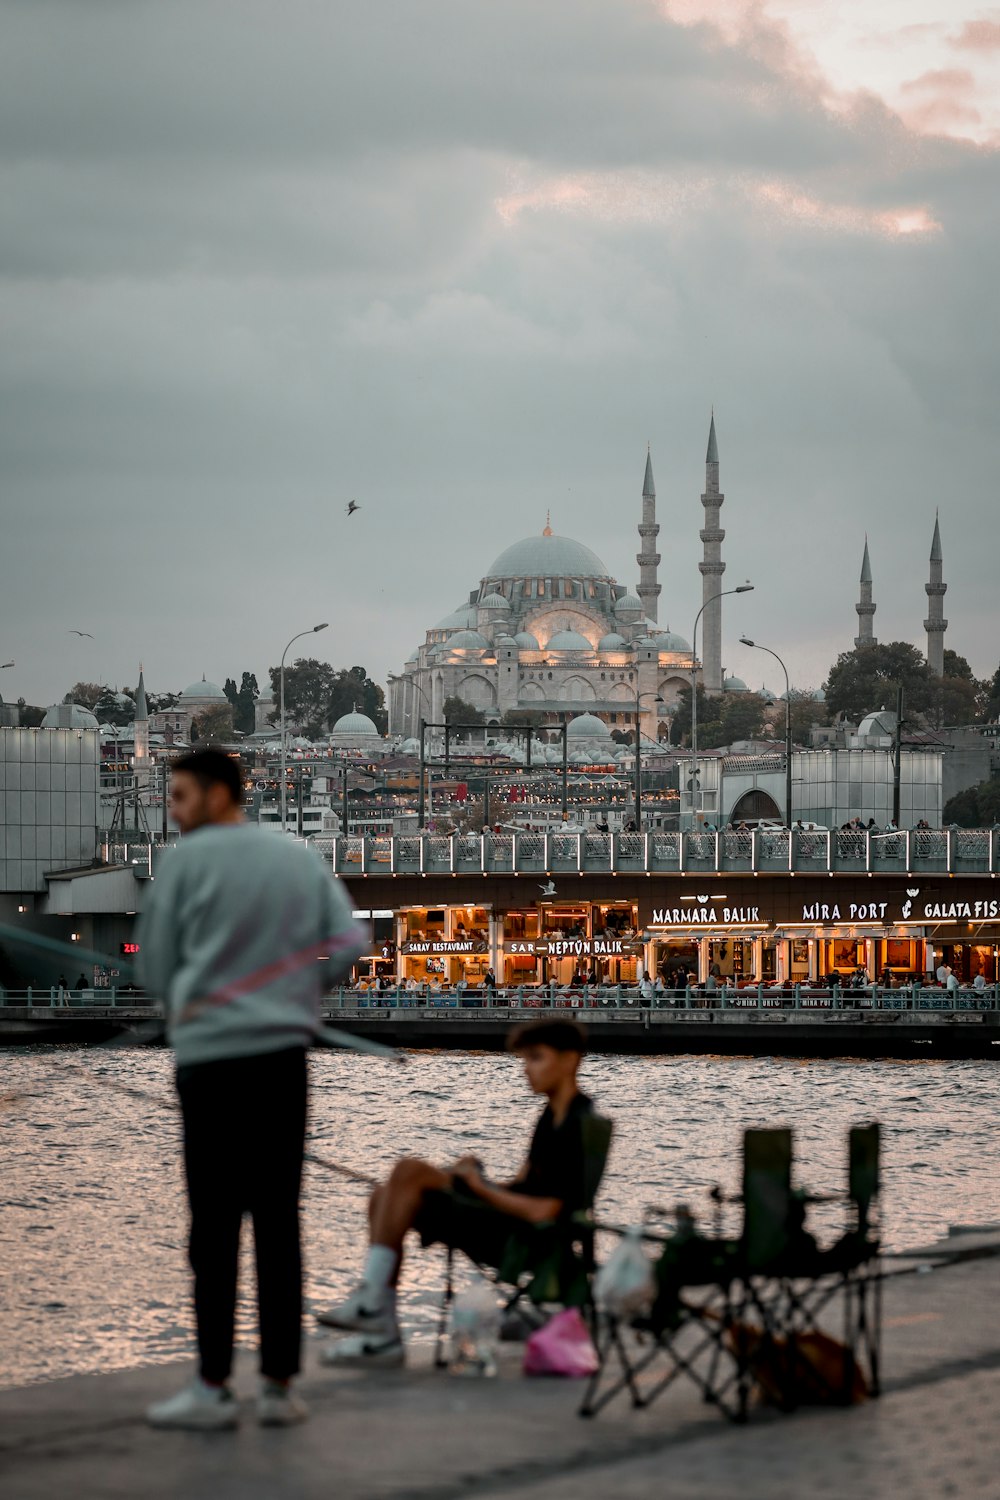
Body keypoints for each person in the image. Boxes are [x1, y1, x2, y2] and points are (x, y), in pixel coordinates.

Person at [137, 749, 365, 1431]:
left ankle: (211, 1387)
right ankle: (278, 1387)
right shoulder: (295, 856)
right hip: (280, 1063)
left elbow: (152, 967)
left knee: (212, 1226)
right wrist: (303, 991)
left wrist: (187, 996)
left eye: (179, 797)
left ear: (213, 793)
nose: (173, 812)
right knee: (277, 1219)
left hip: (209, 1064)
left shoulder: (182, 863)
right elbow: (351, 941)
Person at [317, 1018, 597, 1369]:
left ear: (570, 1059)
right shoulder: (553, 1116)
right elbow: (526, 1184)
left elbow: (546, 1211)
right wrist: (476, 1178)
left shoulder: (575, 1124)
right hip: (510, 1226)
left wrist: (479, 1188)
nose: (526, 1070)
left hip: (520, 1240)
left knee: (409, 1171)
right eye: (525, 1060)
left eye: (536, 1058)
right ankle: (379, 1332)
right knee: (384, 1194)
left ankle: (374, 1311)